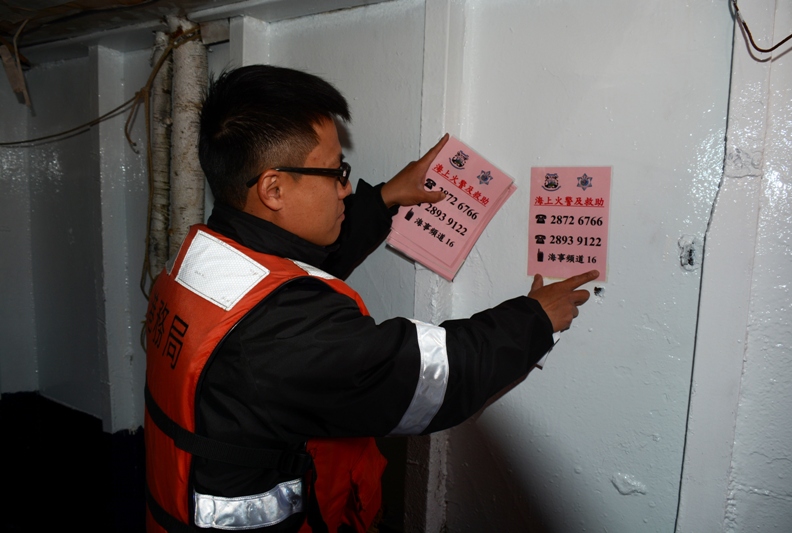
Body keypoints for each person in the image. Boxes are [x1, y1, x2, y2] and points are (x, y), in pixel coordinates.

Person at [144, 64, 598, 533]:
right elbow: (430, 376)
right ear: (273, 189)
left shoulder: (203, 260)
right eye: (336, 172)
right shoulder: (282, 328)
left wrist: (385, 199)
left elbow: (285, 277)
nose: (345, 187)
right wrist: (534, 319)